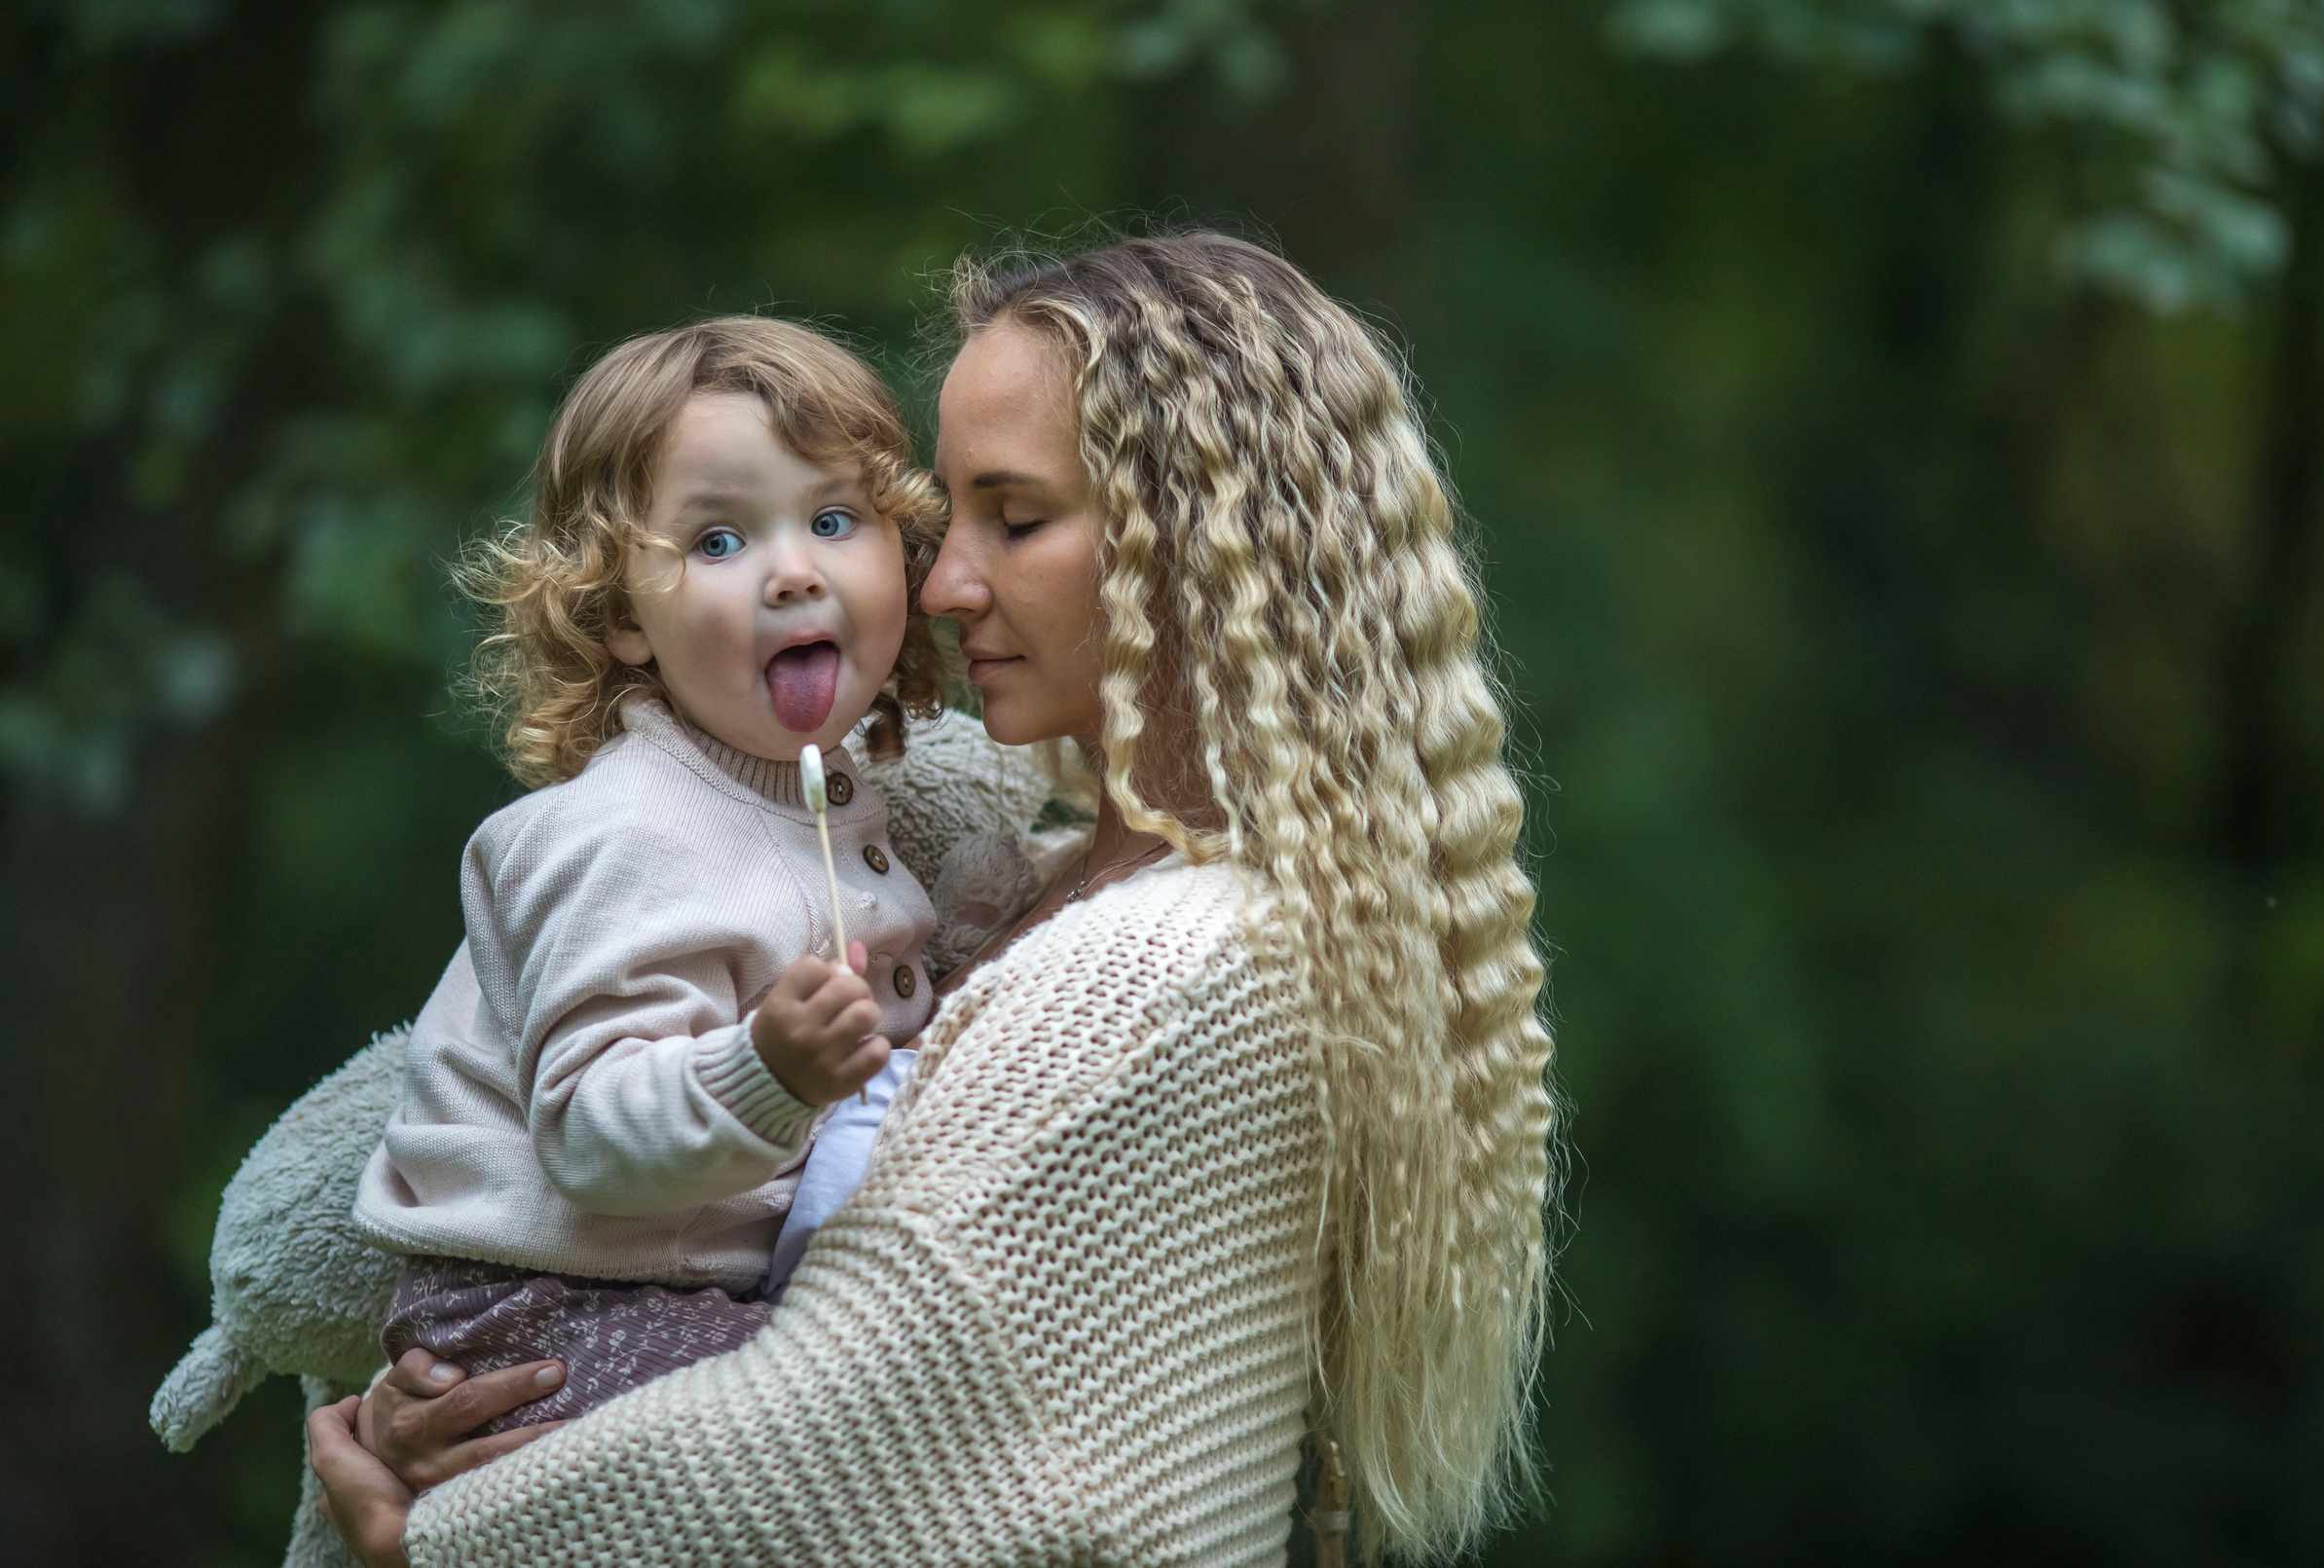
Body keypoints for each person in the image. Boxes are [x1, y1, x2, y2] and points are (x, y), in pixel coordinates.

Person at [308, 232, 1555, 1567]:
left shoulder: (1169, 965)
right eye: (942, 520)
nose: (943, 582)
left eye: (1013, 518)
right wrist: (464, 1364)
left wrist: (428, 1529)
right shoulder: (1012, 876)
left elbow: (835, 1446)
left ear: (1196, 546)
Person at [352, 315, 974, 1435]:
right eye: (719, 543)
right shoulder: (616, 831)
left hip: (668, 1288)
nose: (792, 572)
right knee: (881, 1420)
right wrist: (766, 1070)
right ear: (620, 615)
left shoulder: (826, 800)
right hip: (544, 1309)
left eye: (834, 520)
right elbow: (589, 1131)